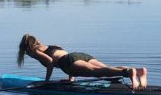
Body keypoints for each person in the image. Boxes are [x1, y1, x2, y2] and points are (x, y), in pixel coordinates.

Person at [17, 33, 148, 89]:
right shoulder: (49, 46)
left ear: (27, 47)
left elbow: (51, 61)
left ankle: (128, 72)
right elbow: (63, 55)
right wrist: (71, 80)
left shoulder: (34, 51)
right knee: (106, 70)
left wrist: (46, 82)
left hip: (69, 62)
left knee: (99, 72)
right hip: (79, 55)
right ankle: (138, 71)